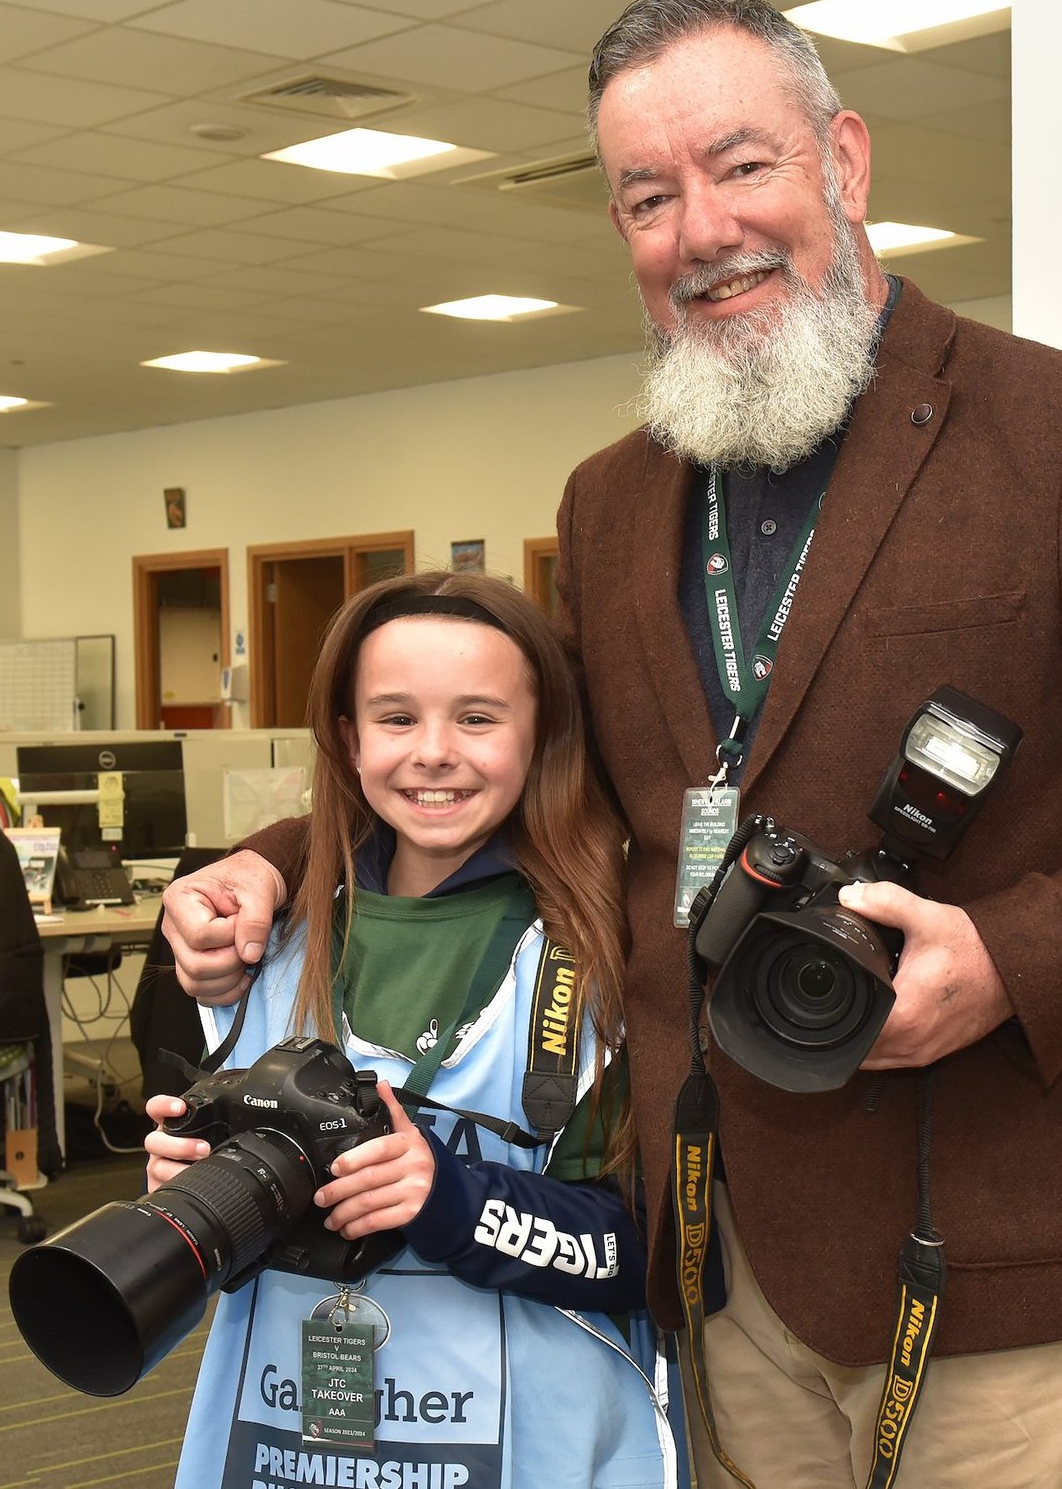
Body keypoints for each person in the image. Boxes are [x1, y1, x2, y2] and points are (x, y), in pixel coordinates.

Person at [161, 0, 1062, 1487]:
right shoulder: (615, 497)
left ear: (844, 161)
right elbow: (539, 758)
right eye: (648, 199)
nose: (700, 231)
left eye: (741, 169)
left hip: (980, 1241)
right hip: (715, 1243)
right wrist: (275, 863)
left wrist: (1010, 958)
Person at [145, 571, 684, 1488]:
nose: (434, 753)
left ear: (542, 733)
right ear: (350, 739)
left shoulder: (599, 944)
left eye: (478, 718)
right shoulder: (264, 937)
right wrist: (196, 1180)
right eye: (396, 720)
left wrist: (450, 1199)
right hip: (288, 1434)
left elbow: (648, 1254)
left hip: (528, 1441)